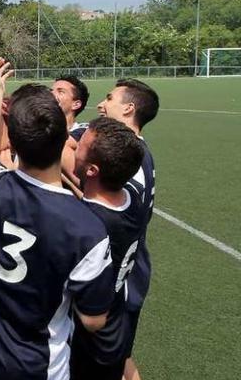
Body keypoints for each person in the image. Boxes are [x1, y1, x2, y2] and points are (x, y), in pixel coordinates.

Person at [0, 61, 115, 380]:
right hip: (36, 366)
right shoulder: (87, 229)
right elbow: (93, 320)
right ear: (65, 142)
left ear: (13, 144)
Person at [70, 117, 146, 380]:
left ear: (92, 170)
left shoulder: (88, 226)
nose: (74, 148)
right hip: (118, 327)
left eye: (79, 145)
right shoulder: (131, 198)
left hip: (91, 346)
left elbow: (91, 320)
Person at [95, 78, 159, 380]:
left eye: (109, 98)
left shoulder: (131, 159)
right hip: (129, 266)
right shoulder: (135, 151)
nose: (102, 104)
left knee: (113, 360)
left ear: (129, 108)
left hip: (123, 275)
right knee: (121, 358)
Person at [51, 75, 90, 141]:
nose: (51, 94)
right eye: (51, 91)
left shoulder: (85, 132)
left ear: (76, 104)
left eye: (60, 91)